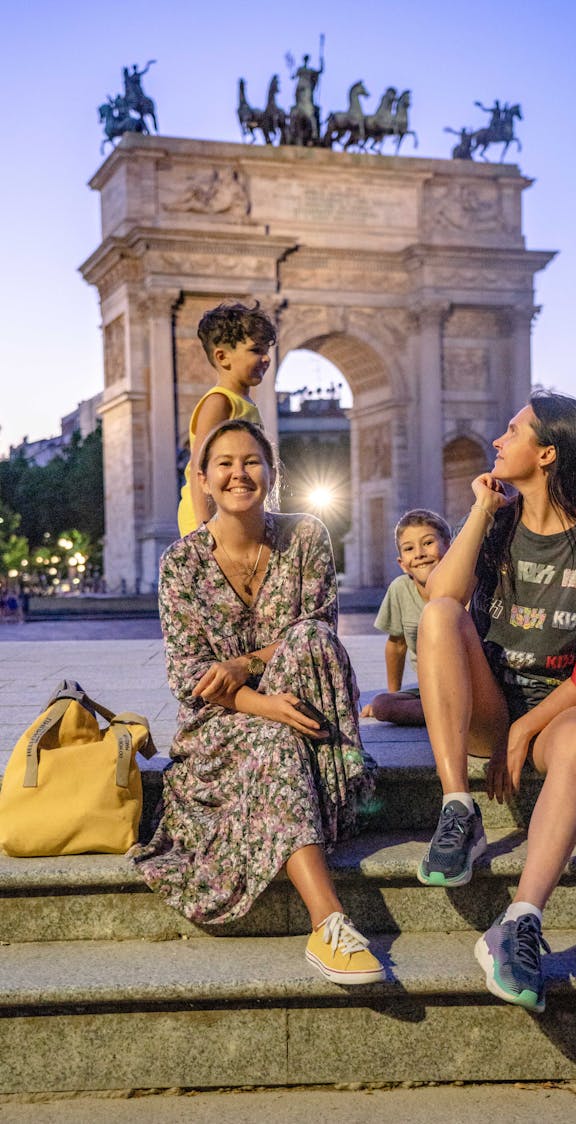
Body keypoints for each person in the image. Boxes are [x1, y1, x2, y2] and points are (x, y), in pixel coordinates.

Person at [416, 391, 576, 1013]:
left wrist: (524, 734)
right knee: (439, 615)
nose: (497, 441)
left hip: (565, 710)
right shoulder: (496, 524)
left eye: (512, 431)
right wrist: (481, 511)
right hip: (495, 702)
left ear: (546, 453)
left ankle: (519, 921)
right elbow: (440, 596)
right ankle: (457, 808)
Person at [132, 419, 386, 985]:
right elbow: (188, 676)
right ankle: (330, 923)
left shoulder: (308, 536)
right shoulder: (181, 563)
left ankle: (326, 785)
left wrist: (243, 664)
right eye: (224, 463)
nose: (238, 473)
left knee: (311, 639)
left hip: (307, 706)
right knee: (274, 735)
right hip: (223, 726)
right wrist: (261, 702)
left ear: (273, 474)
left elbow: (318, 628)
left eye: (252, 461)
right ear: (201, 479)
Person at [177, 301, 276, 538]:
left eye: (266, 351)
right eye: (256, 350)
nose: (266, 359)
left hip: (235, 515)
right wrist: (204, 530)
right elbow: (200, 468)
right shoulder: (219, 402)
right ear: (222, 357)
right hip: (209, 519)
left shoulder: (244, 402)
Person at [361, 509, 451, 726]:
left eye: (428, 543)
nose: (419, 553)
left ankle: (454, 712)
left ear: (449, 547)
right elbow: (397, 645)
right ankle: (447, 714)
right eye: (409, 549)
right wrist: (395, 693)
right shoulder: (400, 589)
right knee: (382, 704)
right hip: (430, 692)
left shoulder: (464, 586)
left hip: (470, 686)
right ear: (402, 563)